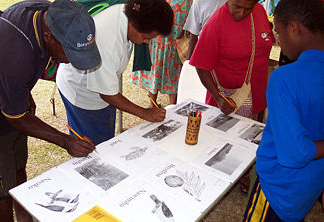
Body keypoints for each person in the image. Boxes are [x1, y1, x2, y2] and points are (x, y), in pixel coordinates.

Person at [0, 0, 101, 221]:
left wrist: (23, 92)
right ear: (49, 36)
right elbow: (17, 117)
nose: (70, 61)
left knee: (18, 165)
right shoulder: (13, 57)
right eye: (69, 53)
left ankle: (25, 216)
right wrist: (65, 141)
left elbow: (17, 82)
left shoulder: (50, 13)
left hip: (8, 91)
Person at [243, 0, 324, 221]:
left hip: (277, 189)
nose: (278, 40)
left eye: (278, 32)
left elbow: (295, 153)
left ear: (294, 28)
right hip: (311, 184)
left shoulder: (284, 78)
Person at [56, 0, 174, 146]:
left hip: (100, 90)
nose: (148, 42)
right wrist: (144, 113)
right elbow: (106, 93)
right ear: (136, 25)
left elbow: (108, 89)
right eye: (148, 37)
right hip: (81, 92)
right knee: (92, 149)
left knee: (106, 139)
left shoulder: (130, 14)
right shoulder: (106, 40)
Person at [189, 0, 274, 193]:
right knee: (223, 146)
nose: (242, 12)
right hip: (229, 99)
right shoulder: (216, 23)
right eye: (237, 6)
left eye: (248, 8)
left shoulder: (260, 12)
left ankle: (245, 172)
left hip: (256, 91)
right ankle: (221, 179)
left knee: (251, 139)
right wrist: (218, 97)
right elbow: (201, 65)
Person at [130, 0, 192, 107]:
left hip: (174, 42)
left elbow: (191, 15)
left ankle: (172, 106)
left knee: (173, 74)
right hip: (156, 40)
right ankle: (153, 104)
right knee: (155, 71)